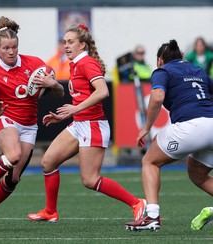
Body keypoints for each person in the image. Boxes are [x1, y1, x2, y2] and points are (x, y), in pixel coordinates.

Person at [26, 24, 146, 225]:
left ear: (82, 45)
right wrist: (64, 116)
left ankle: (137, 203)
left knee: (90, 180)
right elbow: (81, 95)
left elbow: (102, 92)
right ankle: (50, 212)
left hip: (93, 125)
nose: (66, 45)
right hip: (80, 124)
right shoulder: (74, 63)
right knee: (48, 162)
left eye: (70, 42)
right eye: (64, 42)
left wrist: (74, 109)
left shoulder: (86, 63)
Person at [0, 16, 64, 232]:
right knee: (13, 155)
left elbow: (60, 92)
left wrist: (53, 84)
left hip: (29, 125)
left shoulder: (35, 64)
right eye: (7, 48)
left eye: (15, 47)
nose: (11, 52)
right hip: (5, 120)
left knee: (14, 179)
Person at [125, 40, 213, 231]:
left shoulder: (162, 71)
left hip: (191, 126)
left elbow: (157, 97)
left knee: (150, 161)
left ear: (159, 60)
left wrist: (147, 127)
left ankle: (152, 216)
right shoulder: (197, 70)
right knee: (197, 174)